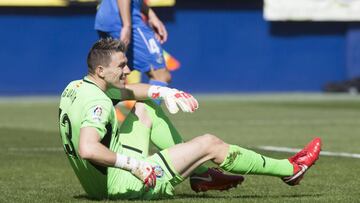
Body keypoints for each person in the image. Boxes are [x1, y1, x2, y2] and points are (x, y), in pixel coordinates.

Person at [59, 38, 321, 200]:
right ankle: (290, 170)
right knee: (210, 143)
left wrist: (165, 90)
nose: (128, 69)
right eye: (122, 65)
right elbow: (88, 148)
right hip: (127, 185)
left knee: (143, 107)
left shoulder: (77, 87)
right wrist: (135, 166)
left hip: (98, 186)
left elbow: (126, 92)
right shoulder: (99, 103)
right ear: (102, 70)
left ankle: (200, 174)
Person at [94, 0, 171, 105]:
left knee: (110, 79)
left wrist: (151, 15)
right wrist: (127, 26)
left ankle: (94, 114)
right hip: (124, 20)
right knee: (160, 76)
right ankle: (140, 121)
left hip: (109, 17)